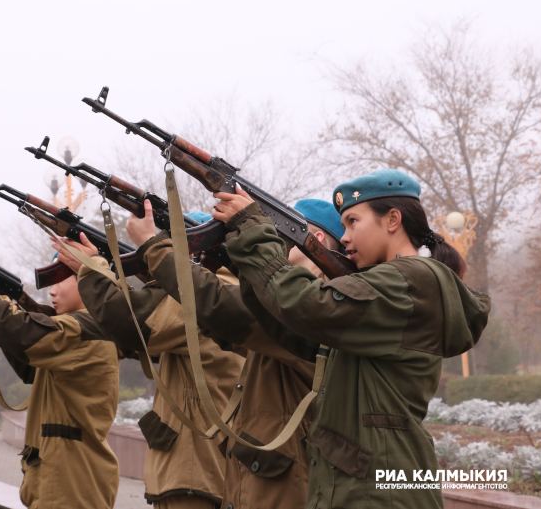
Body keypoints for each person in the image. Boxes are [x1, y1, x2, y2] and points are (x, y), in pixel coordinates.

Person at [211, 170, 491, 509]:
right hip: (362, 489)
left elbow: (306, 306)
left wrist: (255, 233)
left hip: (379, 494)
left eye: (352, 221)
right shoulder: (394, 283)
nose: (343, 237)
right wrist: (252, 265)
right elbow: (300, 331)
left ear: (392, 220)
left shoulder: (410, 281)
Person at [123, 199, 344, 509]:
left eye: (278, 231)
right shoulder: (296, 301)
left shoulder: (315, 308)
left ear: (316, 239)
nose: (271, 239)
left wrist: (153, 248)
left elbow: (217, 305)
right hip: (258, 481)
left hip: (283, 486)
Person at [52, 230, 245, 509]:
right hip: (193, 472)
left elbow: (129, 322)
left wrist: (92, 267)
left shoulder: (212, 296)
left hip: (196, 474)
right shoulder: (223, 293)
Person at [0, 250, 121, 509]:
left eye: (60, 281)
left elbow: (20, 334)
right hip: (66, 479)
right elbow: (28, 363)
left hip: (72, 483)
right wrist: (2, 301)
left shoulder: (84, 329)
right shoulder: (81, 331)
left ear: (89, 280)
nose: (52, 291)